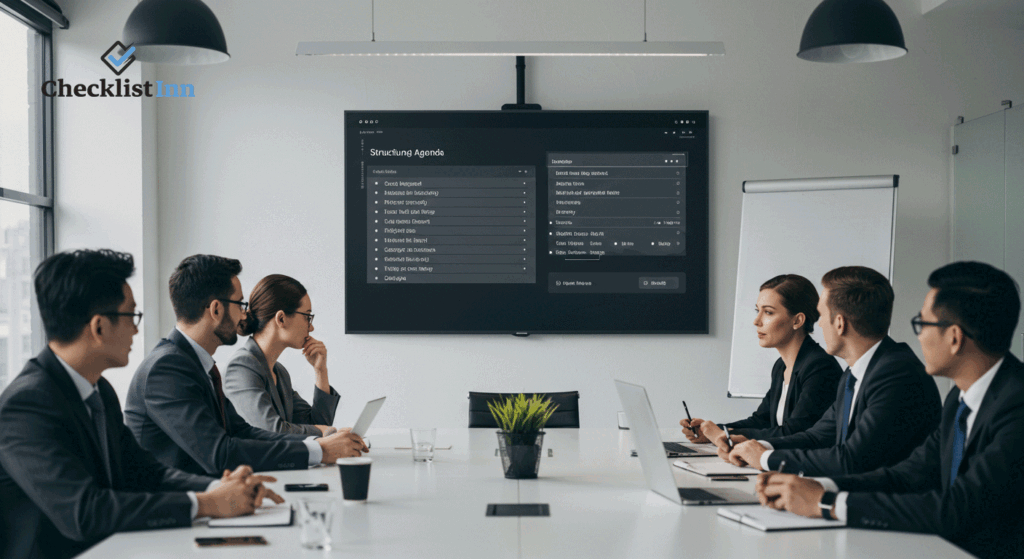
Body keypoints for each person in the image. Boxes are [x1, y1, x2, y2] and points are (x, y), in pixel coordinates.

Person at [0, 249, 282, 559]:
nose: (136, 329)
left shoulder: (99, 391)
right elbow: (84, 513)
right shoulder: (25, 406)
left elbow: (146, 472)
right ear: (99, 327)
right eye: (131, 315)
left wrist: (218, 487)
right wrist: (207, 504)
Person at [756, 261, 1024, 559]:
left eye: (922, 324)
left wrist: (827, 502)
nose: (918, 336)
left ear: (954, 337)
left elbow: (958, 508)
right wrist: (815, 487)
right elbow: (907, 475)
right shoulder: (961, 400)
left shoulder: (1016, 406)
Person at [125, 255, 366, 476]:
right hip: (181, 508)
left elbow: (242, 431)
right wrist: (320, 450)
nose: (244, 316)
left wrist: (318, 445)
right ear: (216, 309)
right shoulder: (166, 368)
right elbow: (221, 453)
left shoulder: (196, 365)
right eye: (240, 304)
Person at [721, 266, 942, 476]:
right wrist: (757, 446)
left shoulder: (897, 375)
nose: (818, 325)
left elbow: (852, 459)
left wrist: (765, 458)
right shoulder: (853, 374)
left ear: (839, 323)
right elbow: (817, 437)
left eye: (821, 316)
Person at [681, 274, 842, 444]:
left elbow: (795, 432)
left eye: (768, 312)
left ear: (797, 320)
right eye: (758, 311)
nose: (756, 321)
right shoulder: (781, 366)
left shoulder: (819, 367)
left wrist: (724, 436)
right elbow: (761, 421)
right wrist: (712, 430)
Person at [224, 274, 340, 436]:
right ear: (281, 318)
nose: (311, 328)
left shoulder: (280, 372)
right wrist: (321, 431)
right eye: (307, 317)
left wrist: (321, 371)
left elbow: (319, 424)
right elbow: (270, 430)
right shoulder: (241, 367)